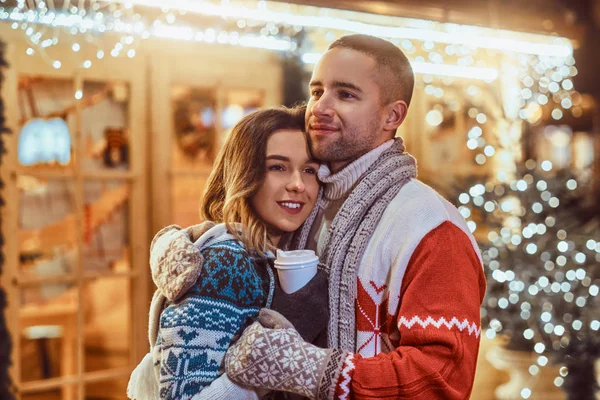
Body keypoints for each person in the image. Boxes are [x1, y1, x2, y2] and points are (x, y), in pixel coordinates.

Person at [224, 34, 487, 399]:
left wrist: (309, 369)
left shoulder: (432, 227)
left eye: (345, 94)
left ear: (392, 115)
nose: (319, 107)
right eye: (317, 91)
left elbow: (439, 378)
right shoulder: (307, 201)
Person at [127, 105, 325, 400]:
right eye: (277, 167)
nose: (298, 184)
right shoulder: (227, 263)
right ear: (245, 175)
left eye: (308, 170)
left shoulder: (267, 257)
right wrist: (264, 369)